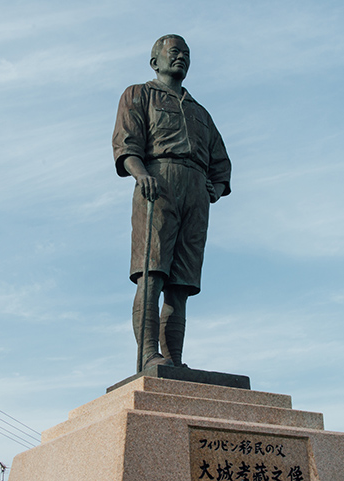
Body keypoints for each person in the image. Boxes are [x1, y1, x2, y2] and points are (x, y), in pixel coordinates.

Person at [112, 34, 231, 371]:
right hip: (157, 183)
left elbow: (222, 163)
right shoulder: (139, 94)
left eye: (186, 54)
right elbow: (126, 144)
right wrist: (140, 174)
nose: (181, 58)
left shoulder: (201, 114)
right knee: (152, 274)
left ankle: (175, 360)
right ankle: (150, 354)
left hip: (195, 192)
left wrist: (215, 189)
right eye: (174, 52)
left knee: (181, 284)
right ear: (156, 61)